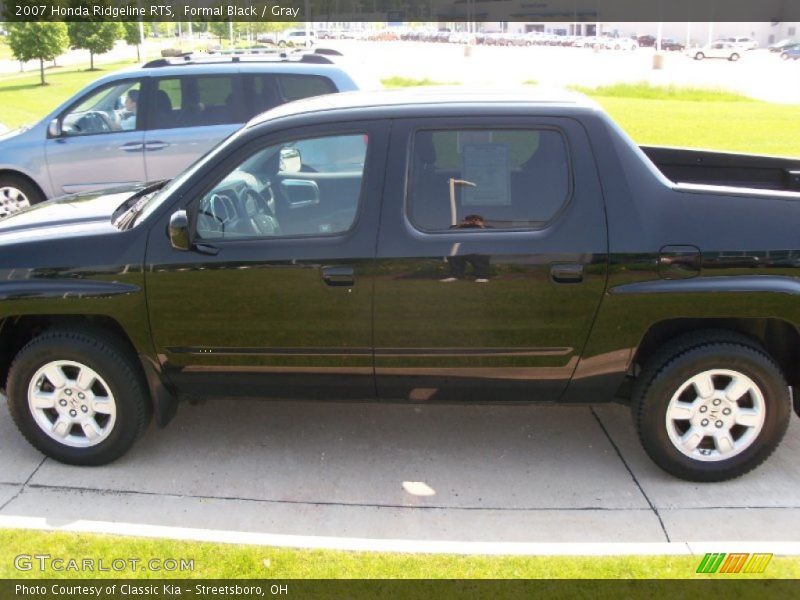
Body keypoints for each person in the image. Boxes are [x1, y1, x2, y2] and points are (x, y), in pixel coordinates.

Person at [441, 214, 492, 282]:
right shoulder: (460, 227)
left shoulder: (487, 227)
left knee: (481, 258)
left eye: (476, 220)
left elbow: (490, 234)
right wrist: (461, 225)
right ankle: (454, 276)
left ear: (481, 221)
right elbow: (449, 231)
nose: (473, 221)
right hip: (462, 249)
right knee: (454, 256)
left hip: (478, 250)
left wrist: (481, 225)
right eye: (470, 220)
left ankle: (482, 277)